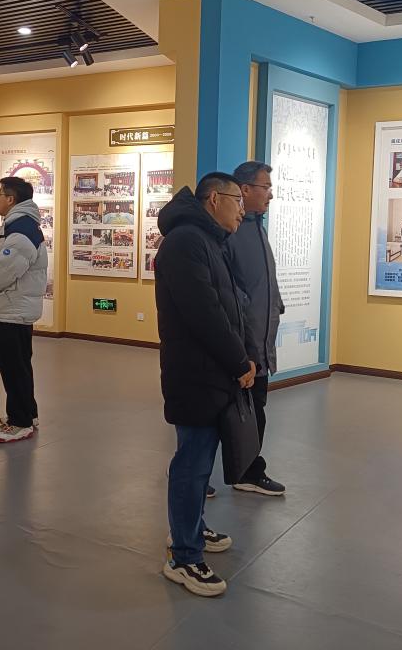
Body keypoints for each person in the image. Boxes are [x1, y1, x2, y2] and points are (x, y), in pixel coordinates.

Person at [156, 172, 255, 598]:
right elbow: (204, 312)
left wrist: (244, 354)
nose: (243, 210)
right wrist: (238, 360)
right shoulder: (185, 242)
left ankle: (191, 527)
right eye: (238, 200)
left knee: (200, 461)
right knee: (192, 463)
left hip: (214, 371)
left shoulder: (210, 241)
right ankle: (183, 557)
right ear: (214, 199)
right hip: (195, 374)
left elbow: (231, 305)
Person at [0, 177, 47, 443]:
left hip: (12, 308)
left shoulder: (20, 230)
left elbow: (5, 270)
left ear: (11, 199)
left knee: (13, 366)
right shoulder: (19, 226)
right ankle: (28, 413)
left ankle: (20, 421)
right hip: (14, 307)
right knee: (20, 364)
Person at [227, 161, 286, 496]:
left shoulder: (257, 228)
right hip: (243, 342)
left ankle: (246, 469)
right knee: (236, 410)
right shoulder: (233, 231)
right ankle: (242, 470)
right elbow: (231, 289)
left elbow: (262, 282)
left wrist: (276, 304)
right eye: (266, 187)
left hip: (261, 339)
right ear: (245, 189)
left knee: (254, 408)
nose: (270, 195)